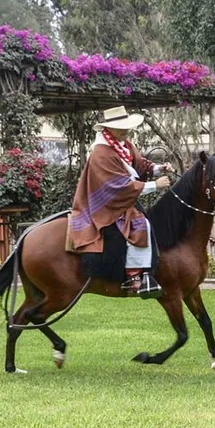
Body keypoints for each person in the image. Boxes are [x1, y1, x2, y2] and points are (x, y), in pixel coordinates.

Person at [69, 106, 173, 299]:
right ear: (108, 129)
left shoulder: (123, 145)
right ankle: (134, 277)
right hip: (104, 204)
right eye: (121, 128)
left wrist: (159, 168)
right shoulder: (101, 153)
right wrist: (154, 185)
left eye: (126, 127)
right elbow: (117, 187)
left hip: (120, 201)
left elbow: (140, 165)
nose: (126, 131)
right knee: (140, 225)